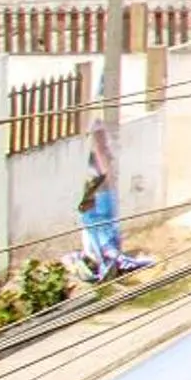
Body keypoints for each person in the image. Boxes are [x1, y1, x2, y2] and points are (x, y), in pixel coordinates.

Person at [76, 120, 151, 280]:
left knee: (95, 226)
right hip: (99, 191)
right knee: (102, 226)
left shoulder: (84, 148)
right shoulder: (97, 142)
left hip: (92, 192)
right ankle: (108, 260)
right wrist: (109, 181)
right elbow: (102, 159)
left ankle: (101, 260)